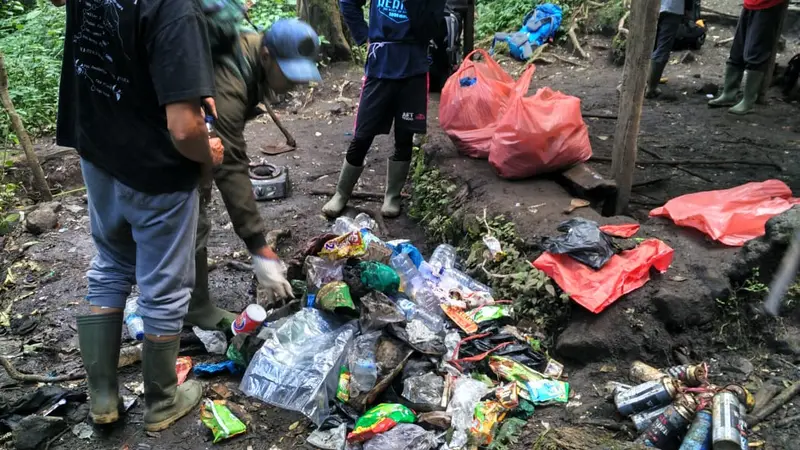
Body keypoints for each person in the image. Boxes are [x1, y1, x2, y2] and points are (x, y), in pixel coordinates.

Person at [55, 0, 219, 432]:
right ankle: (162, 400)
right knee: (163, 285)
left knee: (110, 264)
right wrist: (210, 153)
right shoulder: (177, 9)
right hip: (154, 169)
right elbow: (184, 129)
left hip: (99, 149)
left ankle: (103, 399)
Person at [186, 18, 322, 330]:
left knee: (195, 207)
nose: (294, 84)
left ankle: (188, 289)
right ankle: (194, 306)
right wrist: (259, 247)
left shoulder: (251, 59)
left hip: (194, 135)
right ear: (266, 56)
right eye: (288, 74)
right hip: (167, 132)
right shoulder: (230, 82)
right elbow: (230, 163)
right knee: (190, 212)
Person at [324, 0, 445, 218]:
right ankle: (341, 193)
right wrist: (364, 36)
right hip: (380, 64)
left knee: (404, 134)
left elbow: (434, 23)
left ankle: (392, 196)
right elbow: (348, 2)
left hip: (414, 66)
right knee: (363, 134)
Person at [708, 0, 786, 114]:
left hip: (769, 5)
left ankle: (748, 100)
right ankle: (729, 93)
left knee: (756, 50)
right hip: (750, 4)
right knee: (737, 50)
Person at [646, 0, 687, 98]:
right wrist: (688, 9)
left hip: (650, 6)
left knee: (648, 44)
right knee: (663, 47)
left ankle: (641, 82)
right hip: (673, 8)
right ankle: (651, 87)